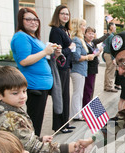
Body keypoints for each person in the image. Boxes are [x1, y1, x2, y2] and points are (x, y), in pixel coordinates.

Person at [11, 8, 61, 136]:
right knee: (34, 122)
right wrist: (45, 51)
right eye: (28, 19)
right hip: (35, 86)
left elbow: (41, 58)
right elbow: (24, 60)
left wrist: (53, 53)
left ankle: (32, 146)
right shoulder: (21, 36)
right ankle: (31, 150)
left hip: (42, 85)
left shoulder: (32, 37)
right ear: (21, 21)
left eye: (35, 19)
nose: (33, 22)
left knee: (37, 121)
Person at [49, 4, 76, 134]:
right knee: (59, 97)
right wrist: (70, 48)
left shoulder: (64, 30)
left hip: (66, 67)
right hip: (60, 67)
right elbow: (56, 52)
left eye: (67, 14)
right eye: (63, 13)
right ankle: (59, 125)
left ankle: (65, 123)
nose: (65, 16)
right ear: (57, 15)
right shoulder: (55, 31)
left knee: (65, 96)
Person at [70, 18, 94, 120]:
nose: (84, 28)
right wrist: (88, 57)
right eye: (83, 26)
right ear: (78, 27)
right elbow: (76, 57)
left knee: (79, 93)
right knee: (78, 93)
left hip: (82, 70)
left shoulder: (79, 39)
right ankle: (76, 115)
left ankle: (77, 113)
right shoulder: (76, 39)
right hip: (77, 70)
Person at [83, 26, 108, 107]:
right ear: (85, 34)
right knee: (88, 89)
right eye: (89, 33)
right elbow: (91, 54)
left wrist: (100, 49)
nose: (91, 35)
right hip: (88, 69)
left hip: (94, 68)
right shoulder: (84, 43)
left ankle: (89, 104)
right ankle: (86, 107)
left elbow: (96, 49)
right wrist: (97, 52)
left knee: (91, 88)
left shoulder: (93, 43)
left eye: (92, 33)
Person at [102, 22, 117, 92]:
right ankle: (109, 86)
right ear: (111, 27)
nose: (115, 28)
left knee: (108, 70)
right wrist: (113, 58)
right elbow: (112, 48)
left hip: (106, 54)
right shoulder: (111, 36)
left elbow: (103, 45)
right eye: (114, 27)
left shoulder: (106, 35)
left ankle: (106, 86)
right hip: (109, 54)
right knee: (111, 70)